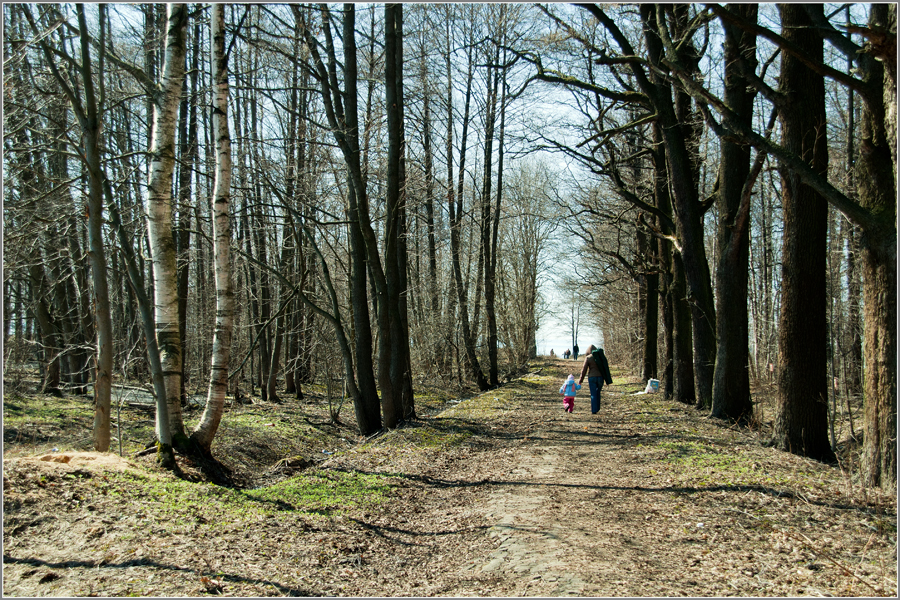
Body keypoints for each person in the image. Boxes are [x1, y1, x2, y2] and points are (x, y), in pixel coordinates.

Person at [578, 345, 613, 414]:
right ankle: (597, 408)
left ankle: (594, 410)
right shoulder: (600, 356)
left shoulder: (588, 358)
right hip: (600, 378)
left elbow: (584, 370)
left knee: (593, 394)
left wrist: (581, 380)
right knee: (598, 393)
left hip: (592, 378)